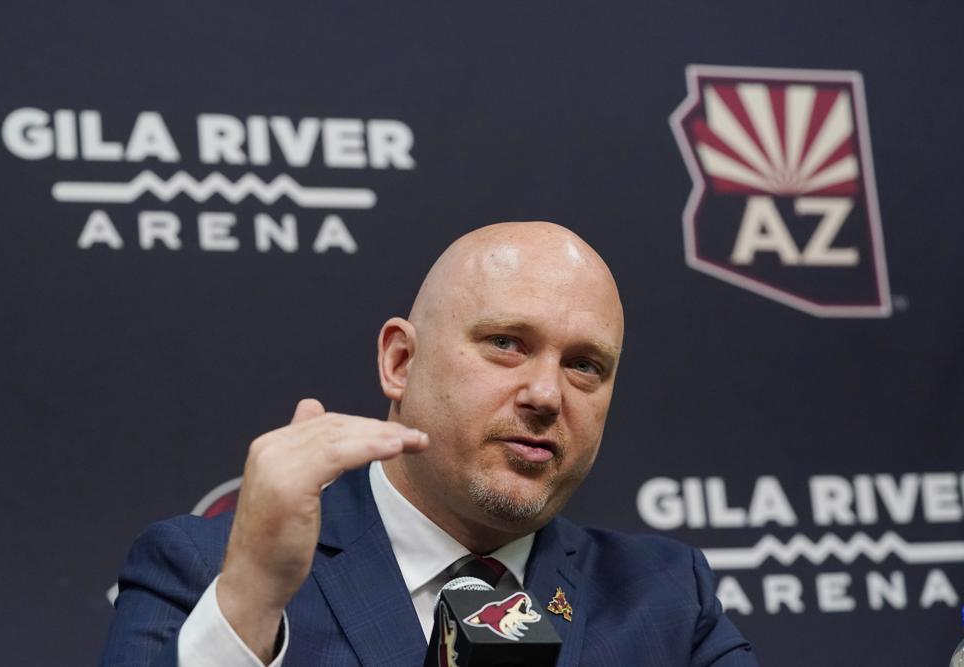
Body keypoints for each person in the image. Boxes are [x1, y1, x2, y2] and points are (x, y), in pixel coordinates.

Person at [101, 221, 757, 666]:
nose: (546, 394)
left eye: (585, 364)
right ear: (400, 362)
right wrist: (249, 600)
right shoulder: (202, 569)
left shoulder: (666, 594)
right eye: (506, 343)